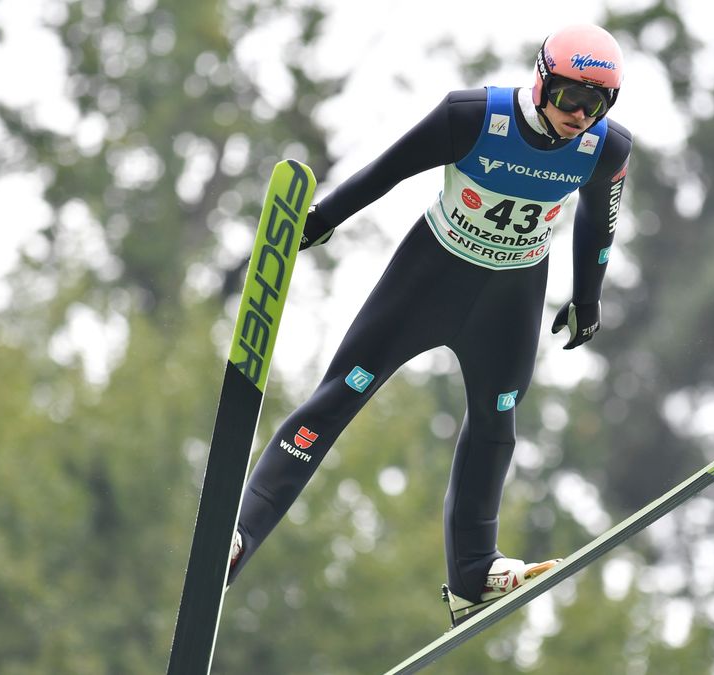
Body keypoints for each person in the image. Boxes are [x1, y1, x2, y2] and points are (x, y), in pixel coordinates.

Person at [227, 24, 632, 626]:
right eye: (571, 96)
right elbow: (387, 171)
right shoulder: (473, 117)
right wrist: (317, 221)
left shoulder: (605, 149)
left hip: (511, 296)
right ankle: (239, 535)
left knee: (497, 422)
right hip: (430, 278)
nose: (580, 115)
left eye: (596, 104)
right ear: (542, 78)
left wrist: (588, 298)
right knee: (340, 395)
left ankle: (472, 574)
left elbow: (598, 223)